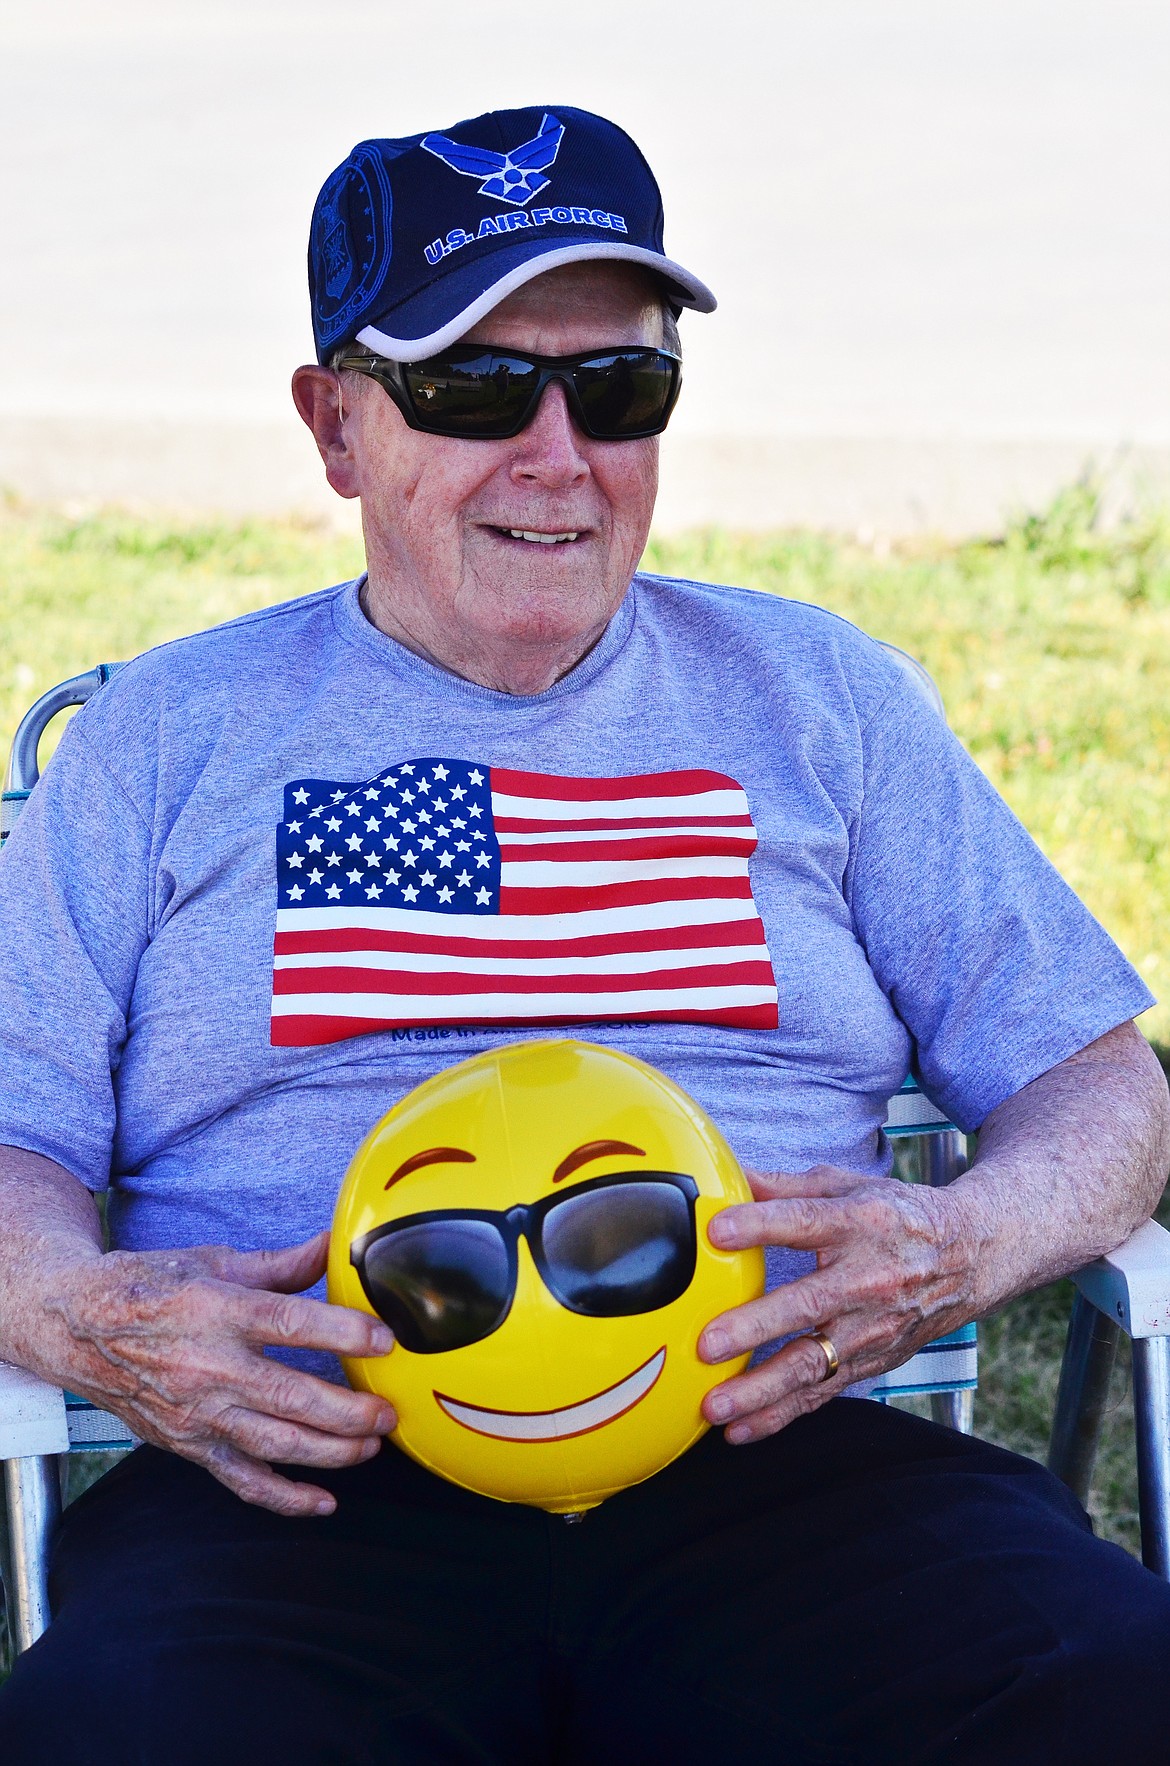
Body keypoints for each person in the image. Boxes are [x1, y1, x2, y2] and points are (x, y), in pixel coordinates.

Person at [0, 104, 1168, 1764]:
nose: (558, 453)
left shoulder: (814, 695)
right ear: (335, 425)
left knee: (1111, 1692)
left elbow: (1095, 1082)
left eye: (617, 388)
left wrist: (963, 1242)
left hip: (779, 1468)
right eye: (474, 387)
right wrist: (80, 1309)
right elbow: (8, 1130)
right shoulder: (166, 741)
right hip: (309, 1494)